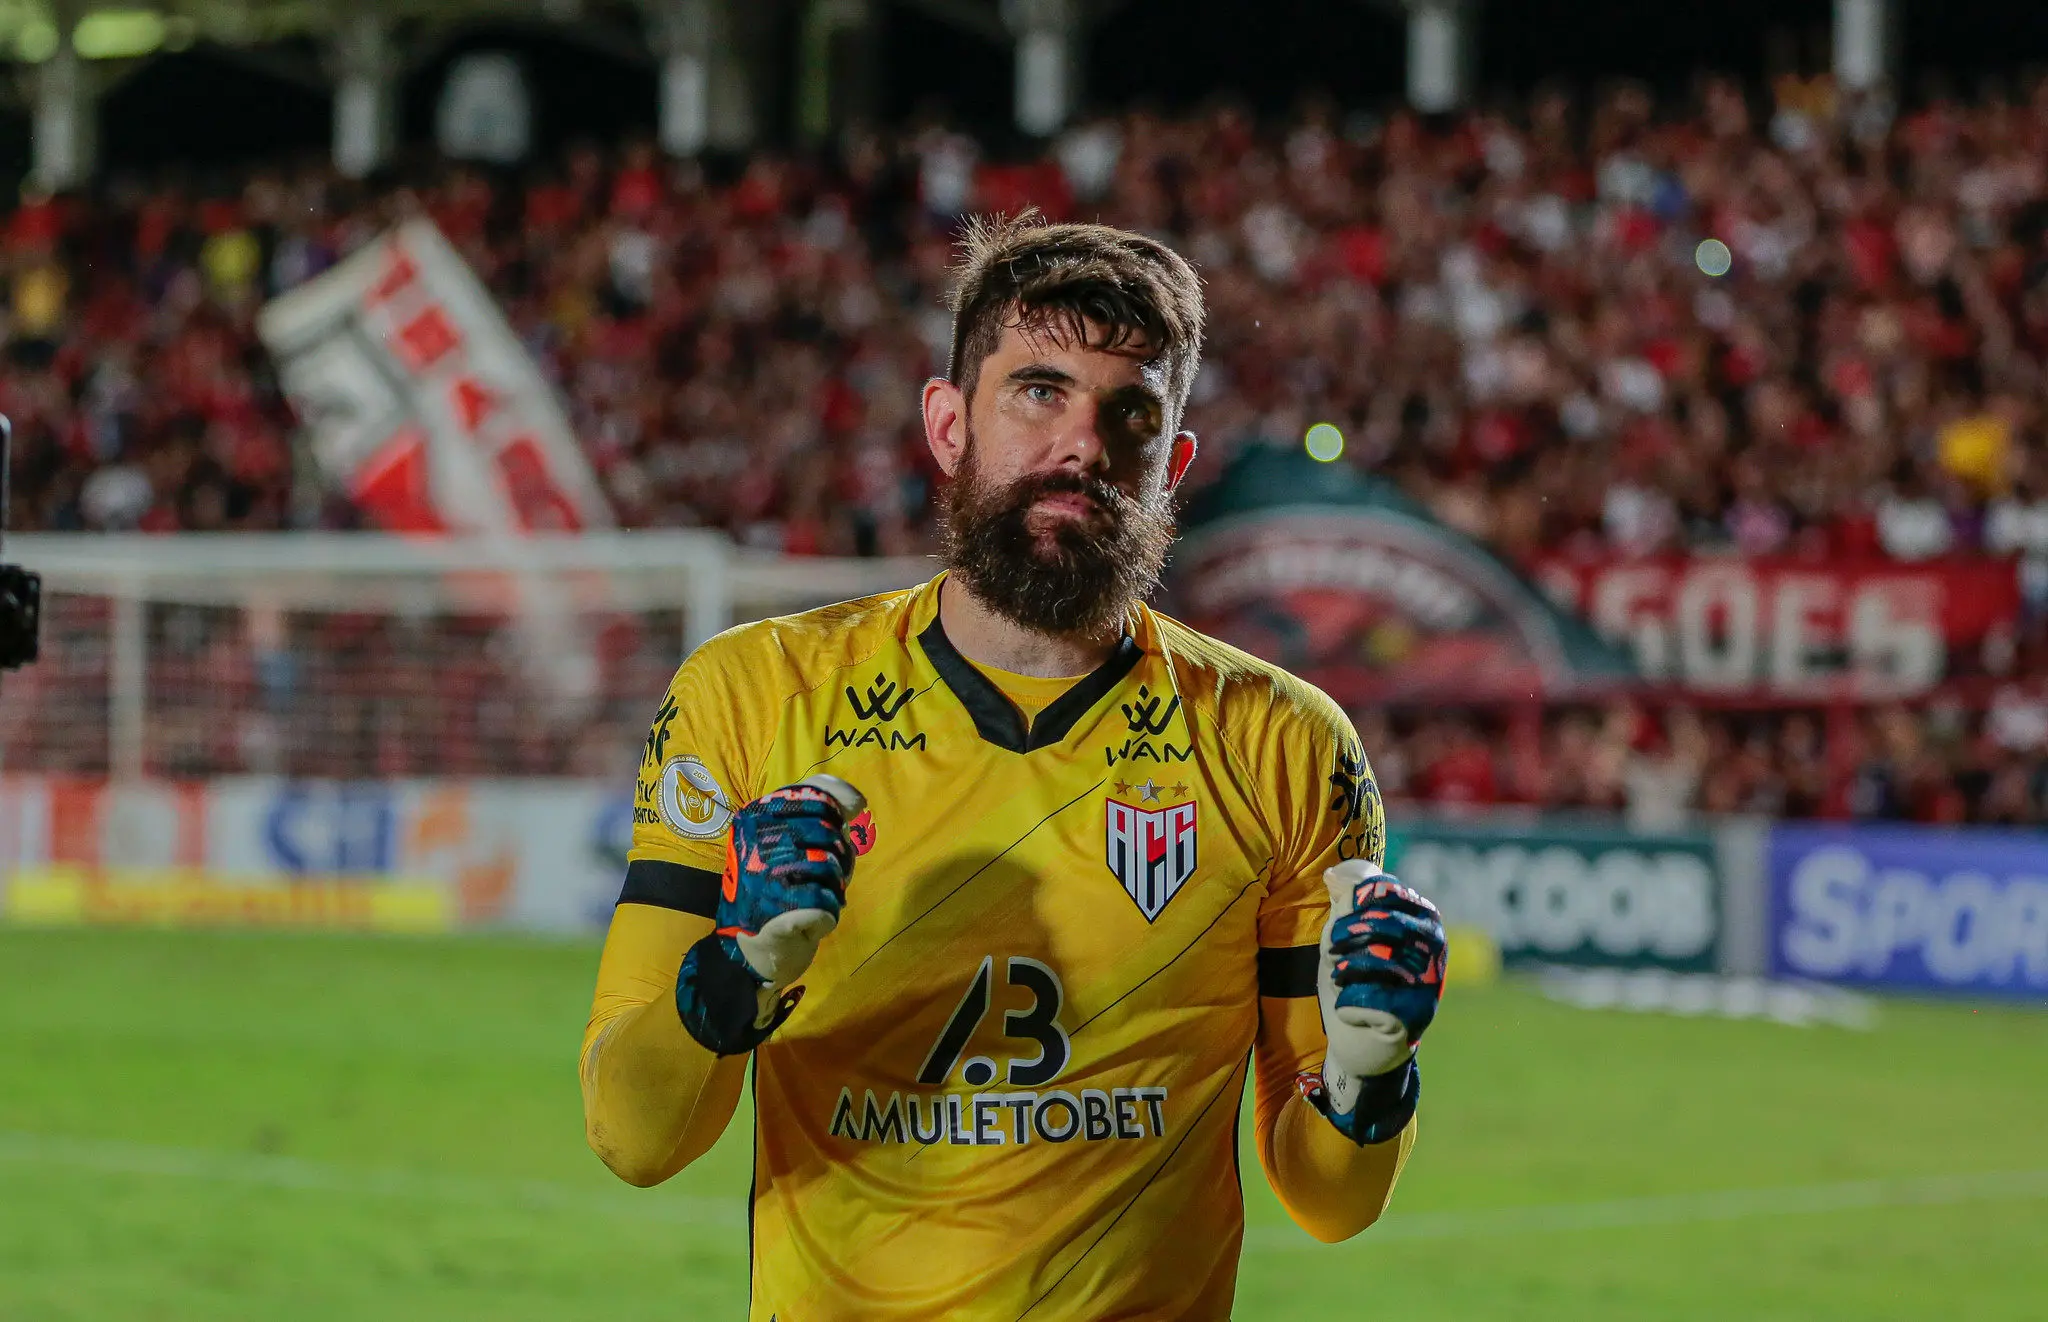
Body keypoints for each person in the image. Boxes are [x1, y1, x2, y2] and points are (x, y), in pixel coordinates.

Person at [580, 216, 1447, 1319]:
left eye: (1127, 410)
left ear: (1169, 463)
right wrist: (736, 970)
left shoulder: (1283, 742)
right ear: (948, 425)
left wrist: (1370, 1081)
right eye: (1036, 390)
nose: (1079, 444)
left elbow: (1330, 1201)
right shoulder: (750, 700)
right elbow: (633, 1134)